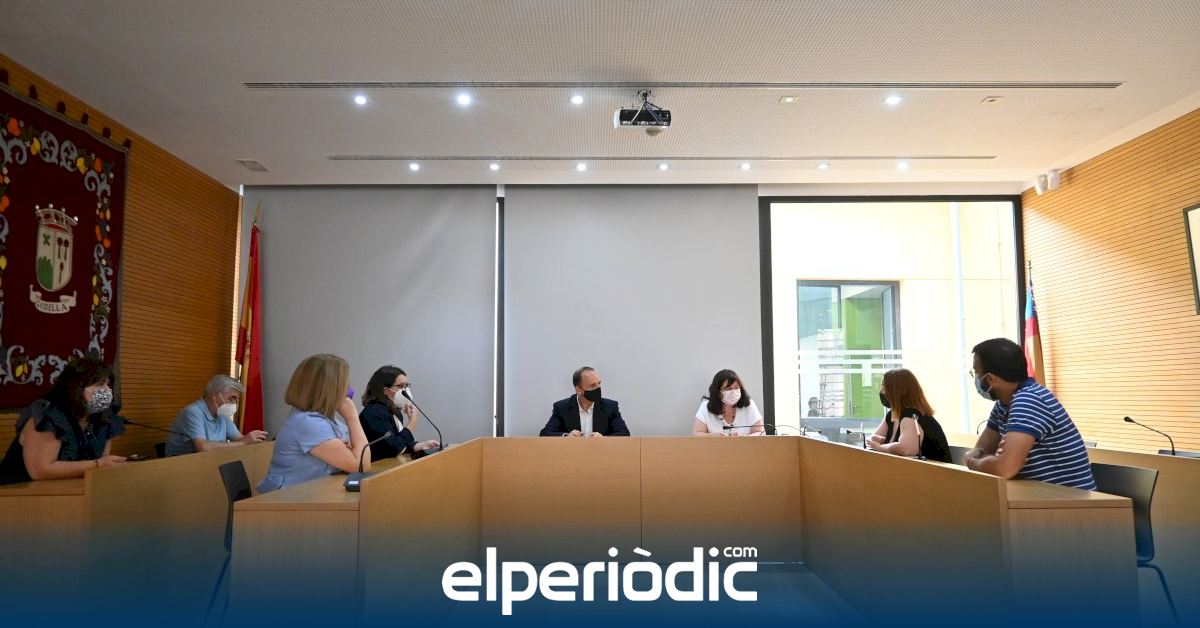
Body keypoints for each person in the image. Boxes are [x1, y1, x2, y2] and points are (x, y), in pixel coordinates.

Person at [962, 338, 1096, 490]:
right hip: (1038, 495)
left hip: (1072, 500)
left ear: (990, 379)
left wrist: (974, 462)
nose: (976, 378)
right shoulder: (1003, 404)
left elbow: (1004, 468)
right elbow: (982, 450)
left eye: (976, 372)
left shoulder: (1029, 400)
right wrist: (990, 459)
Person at [0, 356, 127, 484]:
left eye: (108, 383)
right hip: (17, 489)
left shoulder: (104, 417)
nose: (107, 390)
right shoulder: (48, 413)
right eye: (100, 384)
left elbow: (102, 462)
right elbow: (39, 471)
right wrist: (97, 465)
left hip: (72, 488)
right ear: (77, 386)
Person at [257, 354, 372, 493]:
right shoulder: (307, 423)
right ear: (328, 389)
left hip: (313, 492)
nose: (349, 390)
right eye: (344, 385)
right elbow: (361, 465)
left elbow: (358, 454)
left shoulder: (326, 419)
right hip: (287, 500)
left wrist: (351, 451)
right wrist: (352, 417)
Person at [164, 374, 268, 456]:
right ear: (216, 396)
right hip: (179, 466)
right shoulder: (193, 412)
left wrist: (255, 440)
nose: (234, 404)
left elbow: (239, 439)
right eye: (232, 399)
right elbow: (202, 448)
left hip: (207, 462)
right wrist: (243, 443)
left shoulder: (222, 414)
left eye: (236, 400)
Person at [865, 368, 951, 462]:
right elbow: (873, 440)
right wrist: (875, 441)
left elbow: (906, 450)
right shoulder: (892, 415)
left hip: (934, 470)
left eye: (884, 388)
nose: (882, 392)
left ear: (896, 392)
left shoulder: (912, 415)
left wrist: (881, 448)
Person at [358, 365, 439, 459]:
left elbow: (398, 442)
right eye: (400, 386)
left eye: (406, 386)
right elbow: (393, 448)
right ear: (385, 390)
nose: (405, 390)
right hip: (376, 467)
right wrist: (412, 422)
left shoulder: (393, 411)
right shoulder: (374, 413)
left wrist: (421, 445)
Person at [540, 366, 630, 437]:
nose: (598, 388)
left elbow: (624, 433)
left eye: (599, 383)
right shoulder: (562, 407)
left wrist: (603, 438)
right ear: (579, 390)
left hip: (601, 453)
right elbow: (545, 433)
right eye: (592, 385)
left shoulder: (610, 407)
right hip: (573, 453)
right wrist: (567, 436)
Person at [693, 369, 765, 436]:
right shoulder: (705, 406)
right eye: (728, 389)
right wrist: (714, 437)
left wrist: (744, 439)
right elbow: (696, 434)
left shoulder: (749, 405)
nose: (733, 392)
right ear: (718, 392)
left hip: (744, 445)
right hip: (716, 446)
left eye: (736, 387)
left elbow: (761, 432)